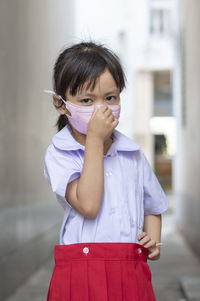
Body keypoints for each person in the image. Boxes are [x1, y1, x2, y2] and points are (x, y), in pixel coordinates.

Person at [43, 41, 169, 301]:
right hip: (80, 270)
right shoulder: (59, 154)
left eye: (110, 98)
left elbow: (152, 204)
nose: (101, 109)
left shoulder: (132, 153)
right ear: (61, 104)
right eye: (87, 100)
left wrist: (154, 240)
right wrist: (94, 140)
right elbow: (88, 204)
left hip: (130, 268)